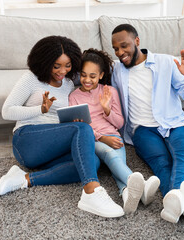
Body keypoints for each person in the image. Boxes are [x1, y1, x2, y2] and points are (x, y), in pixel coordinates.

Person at [0, 36, 124, 218]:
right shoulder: (31, 79)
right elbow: (6, 111)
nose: (62, 71)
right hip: (26, 140)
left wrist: (72, 123)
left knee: (93, 162)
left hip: (48, 149)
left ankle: (24, 179)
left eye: (68, 65)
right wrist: (40, 109)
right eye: (57, 66)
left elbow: (63, 115)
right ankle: (91, 192)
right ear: (45, 61)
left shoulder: (69, 84)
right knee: (83, 130)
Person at [111, 24, 184, 228]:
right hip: (142, 130)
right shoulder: (117, 70)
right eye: (116, 49)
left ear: (137, 41)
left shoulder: (166, 62)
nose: (120, 53)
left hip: (173, 123)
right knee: (162, 163)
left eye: (124, 46)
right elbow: (88, 72)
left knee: (182, 155)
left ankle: (173, 202)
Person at [69, 48, 160, 214]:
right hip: (91, 139)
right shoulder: (74, 96)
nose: (87, 80)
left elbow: (119, 123)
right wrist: (102, 138)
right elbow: (80, 128)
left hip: (113, 136)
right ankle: (143, 185)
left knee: (118, 164)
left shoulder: (110, 91)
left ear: (101, 75)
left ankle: (126, 193)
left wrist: (107, 109)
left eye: (92, 76)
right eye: (83, 75)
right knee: (111, 155)